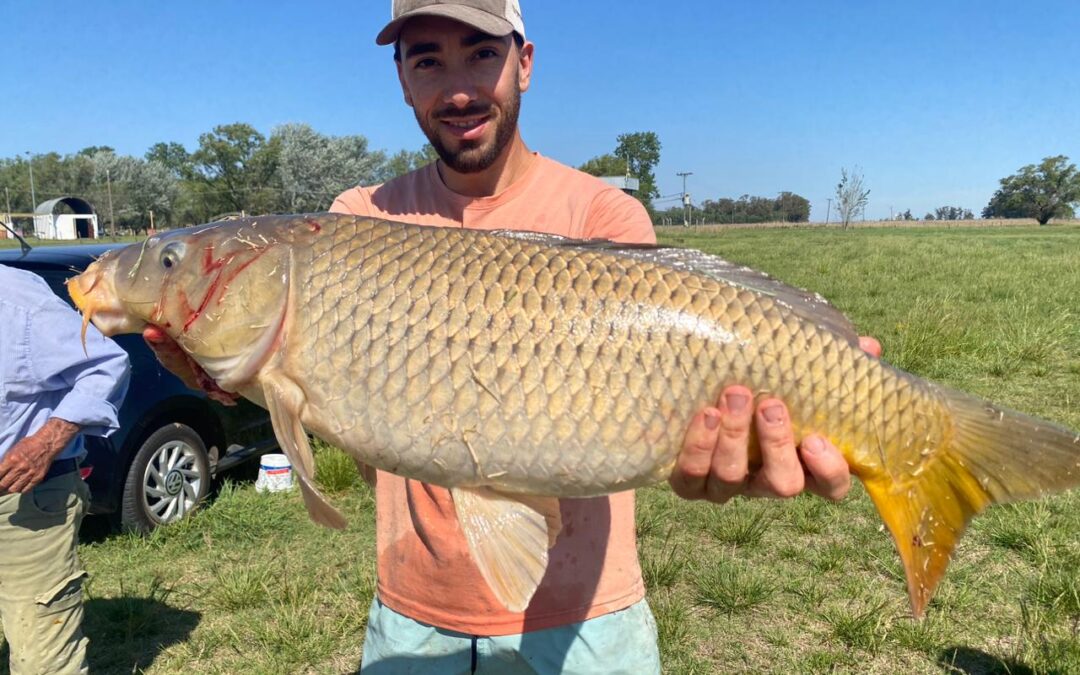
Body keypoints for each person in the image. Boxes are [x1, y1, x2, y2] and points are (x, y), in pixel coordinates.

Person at [332, 2, 881, 672]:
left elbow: (659, 422)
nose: (458, 89)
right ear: (401, 79)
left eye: (481, 54)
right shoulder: (359, 224)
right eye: (427, 60)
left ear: (524, 64)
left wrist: (727, 449)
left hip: (590, 622)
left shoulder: (604, 215)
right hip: (415, 617)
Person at [0, 265, 130, 674]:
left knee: (44, 658)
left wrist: (47, 440)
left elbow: (105, 364)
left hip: (24, 504)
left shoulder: (16, 298)